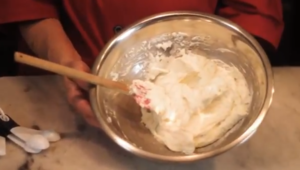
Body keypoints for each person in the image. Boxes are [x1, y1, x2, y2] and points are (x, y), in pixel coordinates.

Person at [0, 0, 284, 127]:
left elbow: (254, 12)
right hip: (63, 82)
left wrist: (216, 79)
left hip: (201, 58)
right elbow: (27, 4)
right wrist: (64, 60)